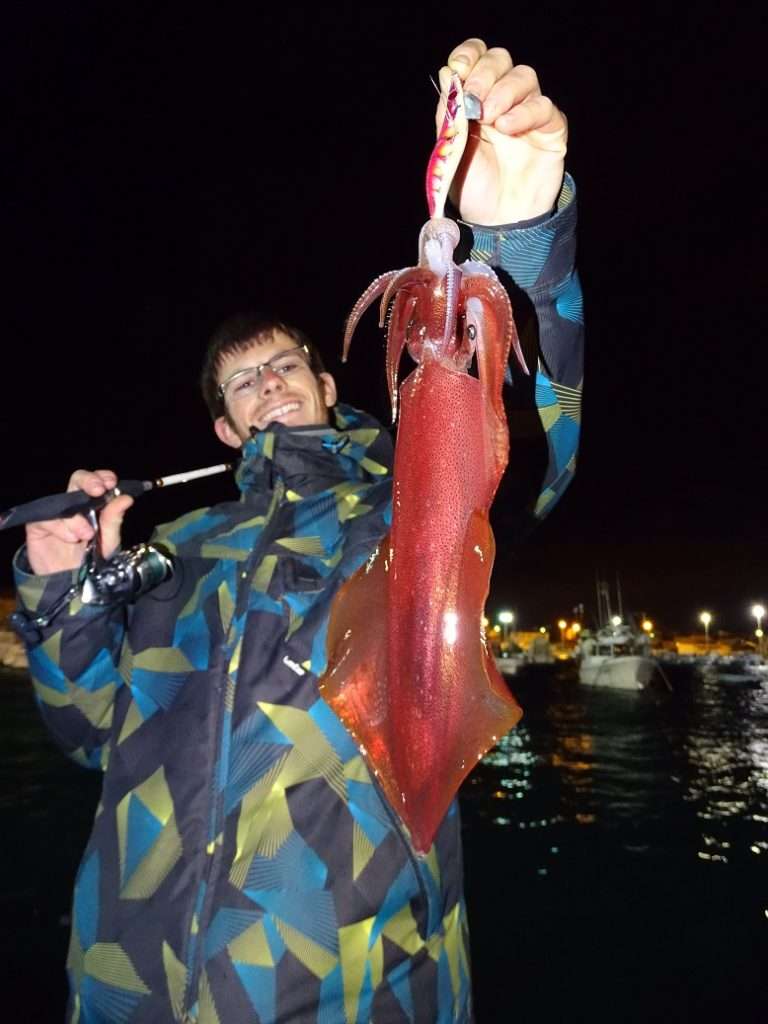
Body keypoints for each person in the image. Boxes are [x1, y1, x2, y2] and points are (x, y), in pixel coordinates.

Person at [14, 38, 582, 1023]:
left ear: (325, 383)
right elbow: (90, 728)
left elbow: (522, 449)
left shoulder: (395, 507)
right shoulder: (180, 550)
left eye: (284, 365)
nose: (267, 382)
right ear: (226, 429)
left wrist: (518, 241)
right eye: (242, 382)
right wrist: (59, 593)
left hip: (347, 993)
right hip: (122, 992)